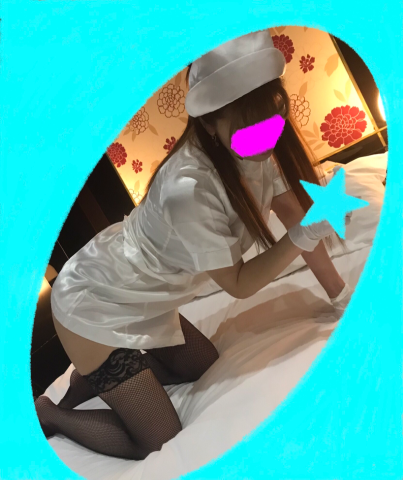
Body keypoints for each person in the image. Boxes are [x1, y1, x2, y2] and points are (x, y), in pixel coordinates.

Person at [34, 29, 352, 460]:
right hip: (92, 300)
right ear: (208, 122)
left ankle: (96, 378)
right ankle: (52, 413)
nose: (265, 139)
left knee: (203, 365)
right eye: (248, 128)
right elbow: (239, 283)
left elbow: (297, 215)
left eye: (272, 120)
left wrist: (340, 297)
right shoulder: (188, 189)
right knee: (159, 439)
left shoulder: (256, 144)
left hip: (145, 294)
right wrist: (303, 235)